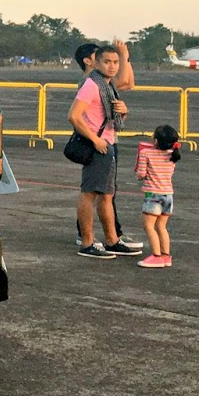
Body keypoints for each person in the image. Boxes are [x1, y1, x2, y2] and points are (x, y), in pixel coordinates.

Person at [71, 43, 144, 257]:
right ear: (96, 63)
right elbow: (74, 116)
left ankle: (112, 239)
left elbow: (110, 116)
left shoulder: (107, 86)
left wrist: (123, 112)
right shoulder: (92, 84)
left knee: (107, 195)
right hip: (98, 146)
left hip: (108, 144)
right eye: (107, 62)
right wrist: (95, 139)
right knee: (90, 193)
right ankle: (87, 242)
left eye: (115, 62)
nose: (112, 66)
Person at [134, 126, 181, 269]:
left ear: (155, 140)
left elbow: (141, 174)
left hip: (153, 194)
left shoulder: (146, 153)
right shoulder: (173, 155)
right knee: (161, 226)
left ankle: (156, 256)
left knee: (149, 226)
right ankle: (166, 255)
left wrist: (138, 175)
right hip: (168, 194)